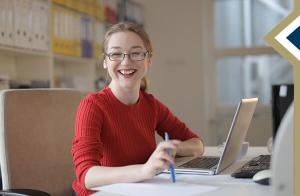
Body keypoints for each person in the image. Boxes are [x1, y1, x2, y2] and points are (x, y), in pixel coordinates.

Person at [71, 22, 204, 196]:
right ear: (105, 61)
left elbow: (197, 144)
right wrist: (144, 170)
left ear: (149, 60)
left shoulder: (151, 105)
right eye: (116, 54)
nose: (126, 61)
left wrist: (171, 150)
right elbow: (87, 176)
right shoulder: (92, 106)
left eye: (136, 53)